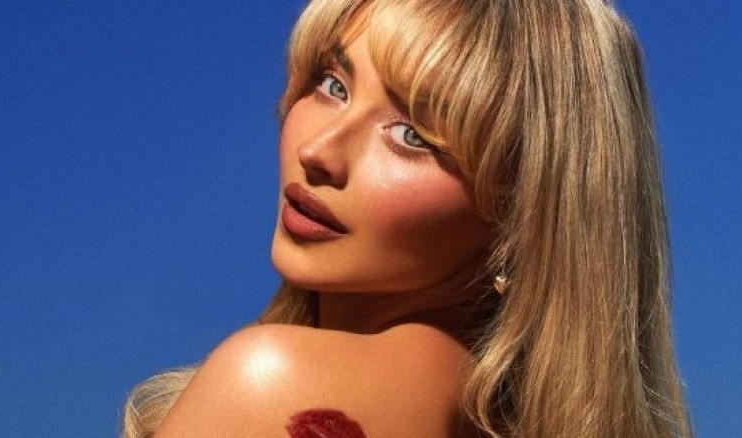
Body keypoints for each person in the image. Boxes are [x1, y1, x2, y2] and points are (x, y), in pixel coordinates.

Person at [122, 0, 691, 436]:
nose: (318, 150)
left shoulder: (273, 380)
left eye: (413, 135)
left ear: (521, 218)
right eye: (333, 85)